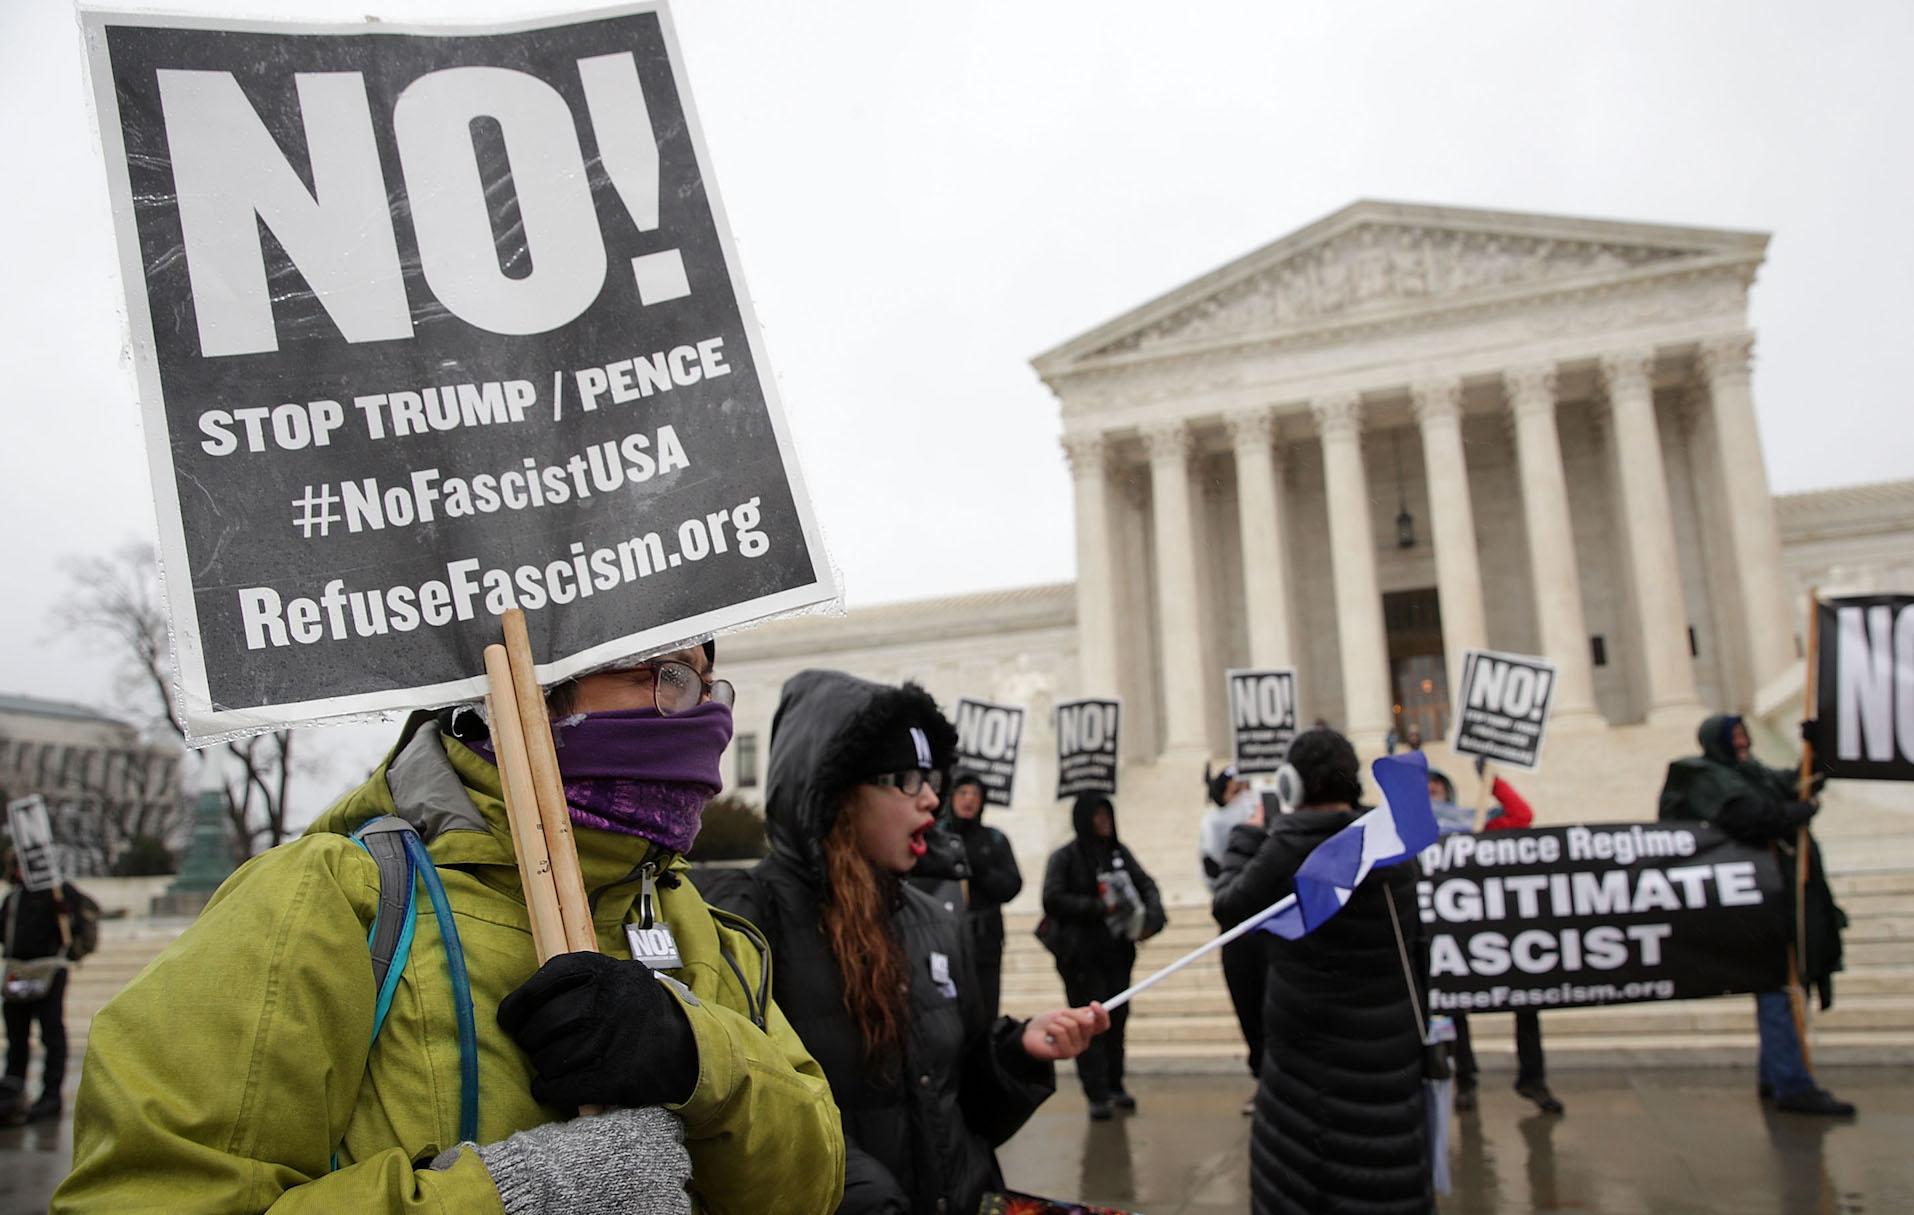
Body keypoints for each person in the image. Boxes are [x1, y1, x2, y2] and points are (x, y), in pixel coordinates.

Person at [58, 642, 846, 1213]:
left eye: (710, 683)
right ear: (540, 678)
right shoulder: (332, 899)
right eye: (668, 674)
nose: (701, 711)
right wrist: (511, 1195)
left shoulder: (704, 932)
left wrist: (699, 1060)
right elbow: (148, 1191)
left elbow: (812, 1185)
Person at [708, 669, 1107, 1215]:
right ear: (833, 791)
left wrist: (1018, 1055)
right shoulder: (749, 921)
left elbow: (960, 1107)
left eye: (931, 780)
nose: (929, 801)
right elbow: (747, 1120)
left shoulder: (934, 918)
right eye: (903, 780)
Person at [1212, 726, 1432, 1215]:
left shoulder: (1290, 845)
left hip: (1306, 1068)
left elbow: (1230, 909)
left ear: (1290, 783)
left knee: (1308, 1185)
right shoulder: (1390, 849)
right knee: (1383, 1178)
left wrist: (1247, 834)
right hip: (1387, 1056)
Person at [1658, 713, 1853, 1117]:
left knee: (1781, 983)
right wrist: (1795, 815)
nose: (1745, 743)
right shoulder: (1708, 777)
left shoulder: (1754, 774)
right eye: (1736, 737)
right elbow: (1747, 818)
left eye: (1745, 735)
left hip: (1785, 894)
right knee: (1779, 985)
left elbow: (1804, 785)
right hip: (1759, 899)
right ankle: (1792, 1083)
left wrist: (1819, 751)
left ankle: (1776, 1075)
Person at [1425, 763, 1560, 1115]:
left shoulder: (1477, 822)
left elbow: (1521, 815)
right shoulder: (1414, 832)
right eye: (1425, 786)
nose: (1431, 789)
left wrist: (1493, 779)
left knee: (1526, 999)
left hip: (1498, 931)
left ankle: (1533, 1078)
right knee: (1455, 1009)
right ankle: (1466, 1079)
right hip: (1452, 933)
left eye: (1437, 783)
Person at [1041, 791, 1166, 1120]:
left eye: (1106, 815)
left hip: (1117, 953)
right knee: (1089, 1025)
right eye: (1096, 816)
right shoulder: (1066, 857)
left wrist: (1151, 918)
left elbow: (1146, 884)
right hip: (1081, 957)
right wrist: (1100, 908)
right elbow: (1052, 899)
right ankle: (1096, 1092)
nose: (1103, 822)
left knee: (1116, 1022)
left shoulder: (1118, 853)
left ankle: (1115, 1085)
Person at [2, 852, 96, 1125]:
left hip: (49, 970)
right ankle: (12, 1089)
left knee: (51, 1031)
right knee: (16, 1034)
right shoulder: (14, 898)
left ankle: (51, 1094)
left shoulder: (59, 893)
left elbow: (79, 922)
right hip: (18, 970)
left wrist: (67, 913)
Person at [1200, 763, 1266, 1114]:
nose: (1243, 796)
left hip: (1274, 931)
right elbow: (1216, 884)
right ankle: (1262, 1078)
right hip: (1238, 933)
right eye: (1234, 791)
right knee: (1250, 1010)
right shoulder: (1212, 831)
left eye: (1246, 787)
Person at [942, 772, 1024, 1020]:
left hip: (984, 941)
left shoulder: (994, 839)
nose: (969, 800)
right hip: (945, 939)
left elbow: (1011, 885)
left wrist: (979, 867)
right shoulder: (937, 839)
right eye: (963, 793)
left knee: (985, 1012)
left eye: (975, 794)